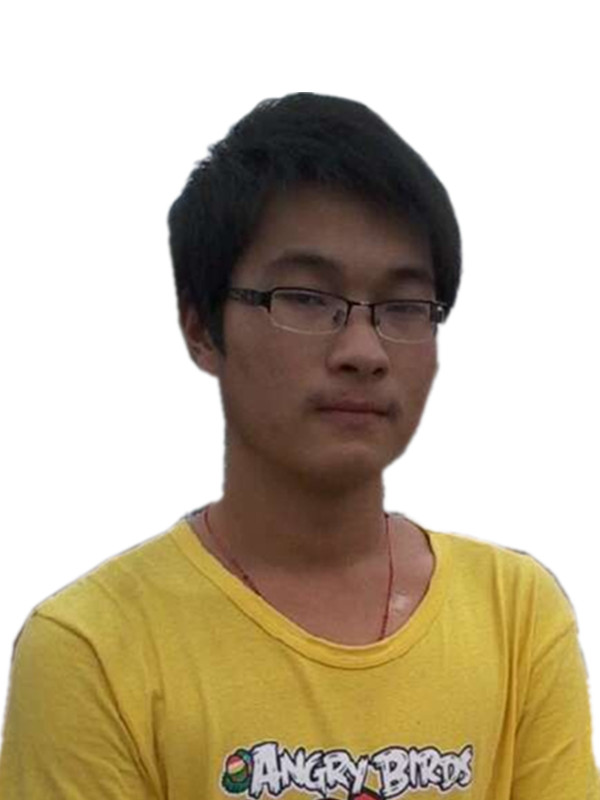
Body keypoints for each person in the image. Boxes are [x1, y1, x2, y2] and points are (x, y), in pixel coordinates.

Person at [0, 92, 597, 799]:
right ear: (201, 329)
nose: (364, 351)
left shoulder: (516, 615)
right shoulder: (93, 649)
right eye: (307, 298)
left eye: (404, 306)